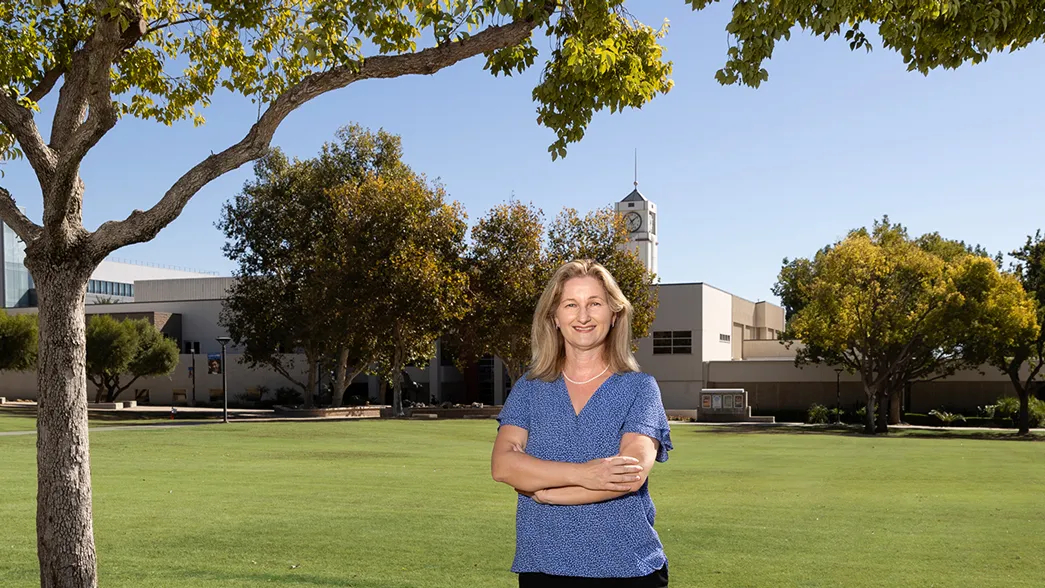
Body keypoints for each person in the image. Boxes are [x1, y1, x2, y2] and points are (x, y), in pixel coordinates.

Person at [491, 259, 672, 587]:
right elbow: (503, 465)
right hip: (543, 568)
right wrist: (585, 474)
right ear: (554, 317)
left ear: (614, 314)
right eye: (571, 304)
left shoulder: (640, 387)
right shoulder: (529, 388)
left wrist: (546, 492)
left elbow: (627, 476)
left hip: (628, 569)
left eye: (595, 303)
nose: (583, 316)